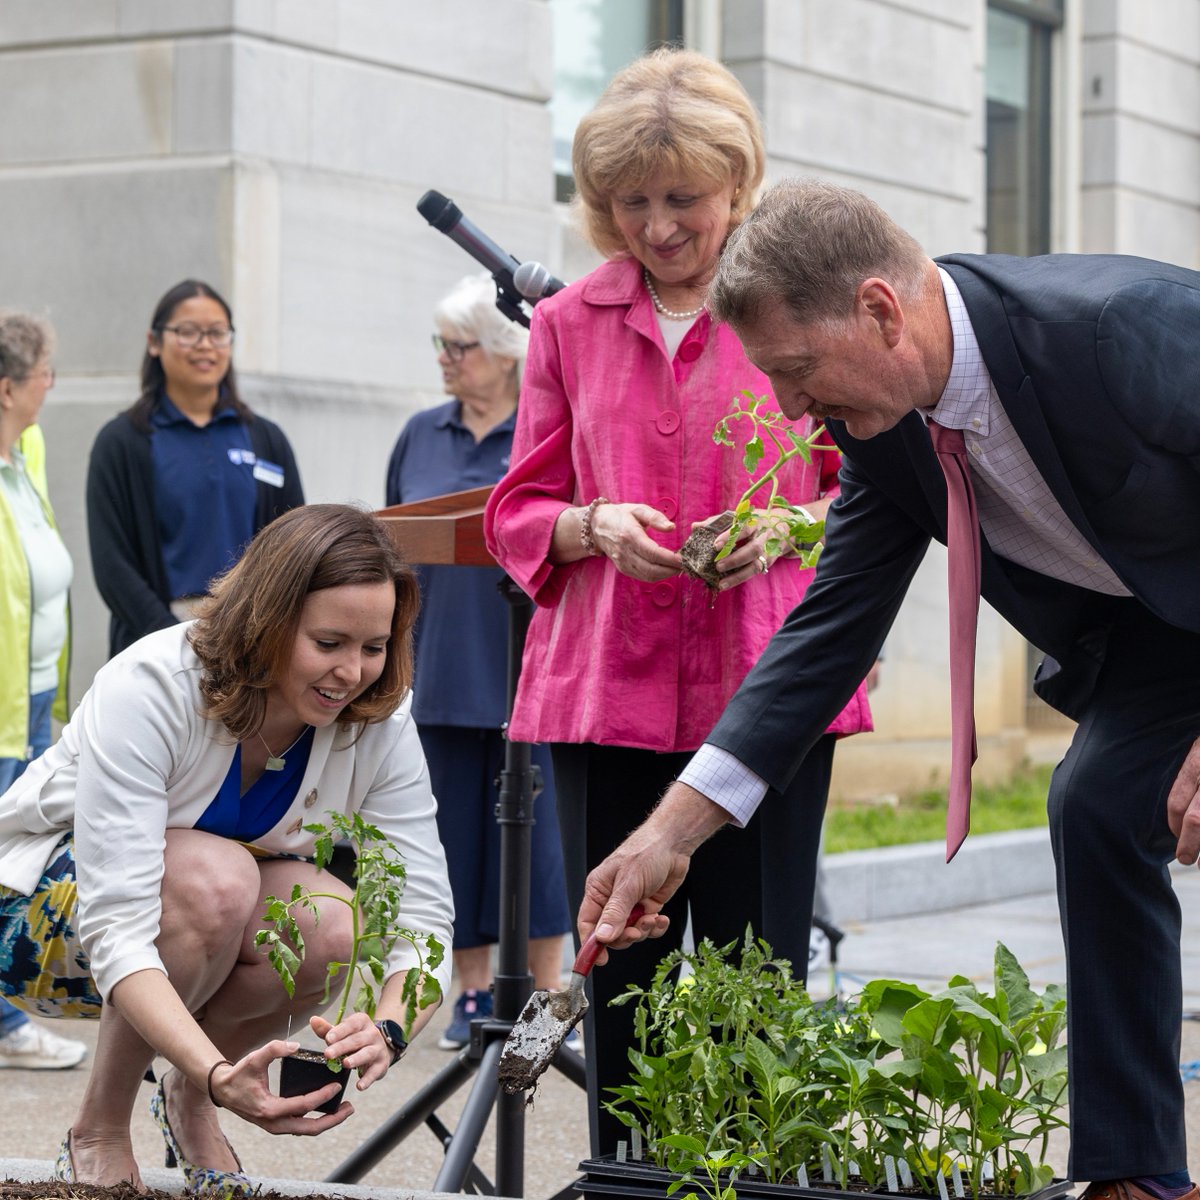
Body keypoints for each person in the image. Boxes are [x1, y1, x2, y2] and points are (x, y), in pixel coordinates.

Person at [580, 178, 1200, 1200]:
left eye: (794, 371)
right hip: (1155, 634)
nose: (788, 409)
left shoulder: (1114, 328)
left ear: (877, 309)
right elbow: (821, 639)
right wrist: (668, 836)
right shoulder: (887, 435)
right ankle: (1136, 1177)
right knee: (1094, 802)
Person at [483, 51, 872, 1153]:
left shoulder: (800, 309)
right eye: (633, 201)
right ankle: (626, 1175)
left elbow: (877, 497)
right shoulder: (565, 325)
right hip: (606, 689)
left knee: (760, 966)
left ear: (736, 187)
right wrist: (593, 526)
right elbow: (519, 511)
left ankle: (757, 1174)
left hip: (770, 685)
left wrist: (788, 528)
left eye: (683, 199)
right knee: (621, 961)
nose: (658, 225)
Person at [0, 503, 453, 1192]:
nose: (353, 672)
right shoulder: (152, 684)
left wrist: (390, 1026)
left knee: (332, 918)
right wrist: (222, 1070)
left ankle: (186, 1098)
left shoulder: (379, 719)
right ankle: (97, 1128)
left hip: (185, 934)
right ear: (268, 621)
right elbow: (119, 933)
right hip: (39, 924)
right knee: (217, 877)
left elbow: (425, 912)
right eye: (328, 642)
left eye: (374, 646)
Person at [384, 273, 571, 1050]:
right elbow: (389, 544)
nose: (446, 361)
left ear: (504, 354)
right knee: (453, 836)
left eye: (460, 347)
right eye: (443, 346)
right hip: (444, 669)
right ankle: (468, 993)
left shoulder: (544, 429)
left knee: (543, 847)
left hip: (535, 669)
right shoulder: (420, 433)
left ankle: (547, 1000)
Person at [86, 279, 305, 658]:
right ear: (154, 342)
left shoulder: (266, 440)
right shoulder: (122, 442)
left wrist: (258, 629)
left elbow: (295, 543)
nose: (205, 345)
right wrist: (172, 641)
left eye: (217, 333)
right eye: (188, 332)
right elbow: (112, 566)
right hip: (154, 642)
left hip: (250, 639)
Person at [0, 311, 89, 1072]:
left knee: (18, 858)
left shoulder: (24, 448)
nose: (49, 387)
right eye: (43, 375)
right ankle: (4, 1026)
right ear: (6, 389)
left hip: (31, 696)